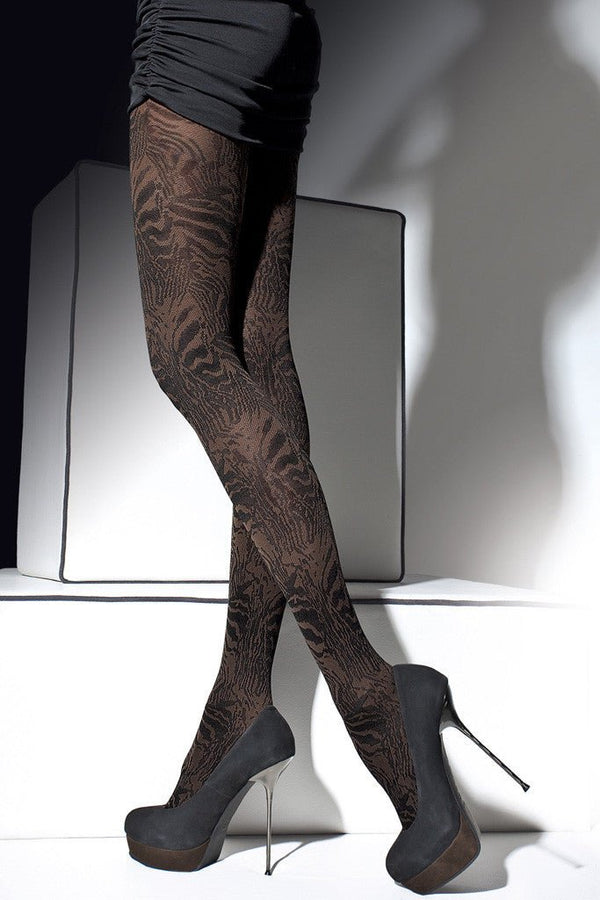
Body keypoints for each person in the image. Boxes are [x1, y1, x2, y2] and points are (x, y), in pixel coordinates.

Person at [123, 1, 529, 892]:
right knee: (257, 356)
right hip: (279, 35)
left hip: (199, 22)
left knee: (189, 355)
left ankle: (372, 693)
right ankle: (238, 704)